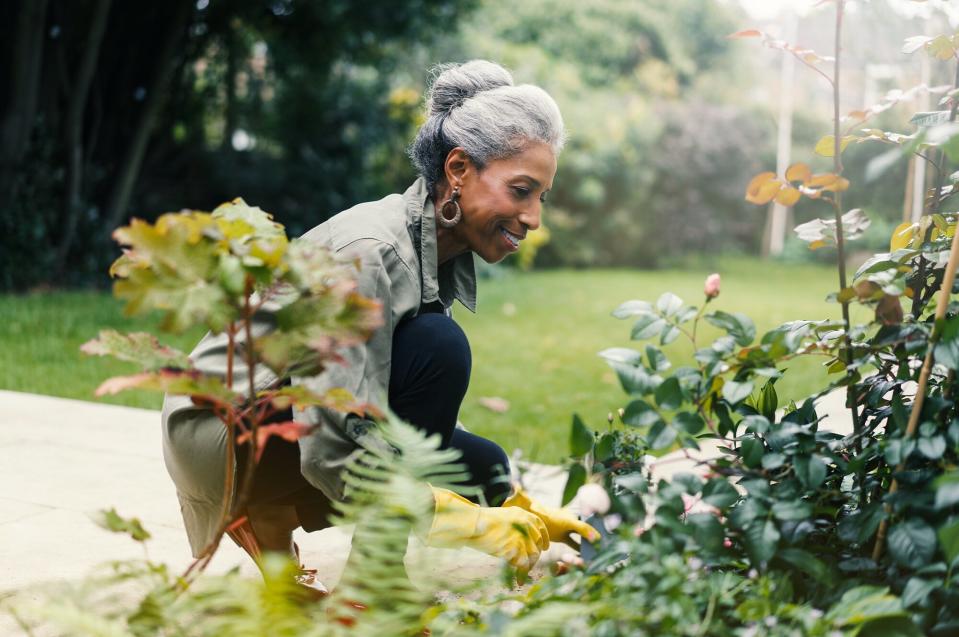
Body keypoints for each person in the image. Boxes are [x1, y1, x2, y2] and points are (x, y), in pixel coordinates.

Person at [161, 60, 596, 592]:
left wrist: (513, 510)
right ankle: (368, 582)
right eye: (522, 190)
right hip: (221, 434)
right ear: (458, 170)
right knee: (440, 347)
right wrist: (465, 521)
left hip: (280, 416)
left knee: (485, 468)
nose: (533, 219)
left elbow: (390, 405)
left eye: (541, 197)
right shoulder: (372, 252)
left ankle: (271, 518)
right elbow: (331, 444)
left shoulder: (434, 249)